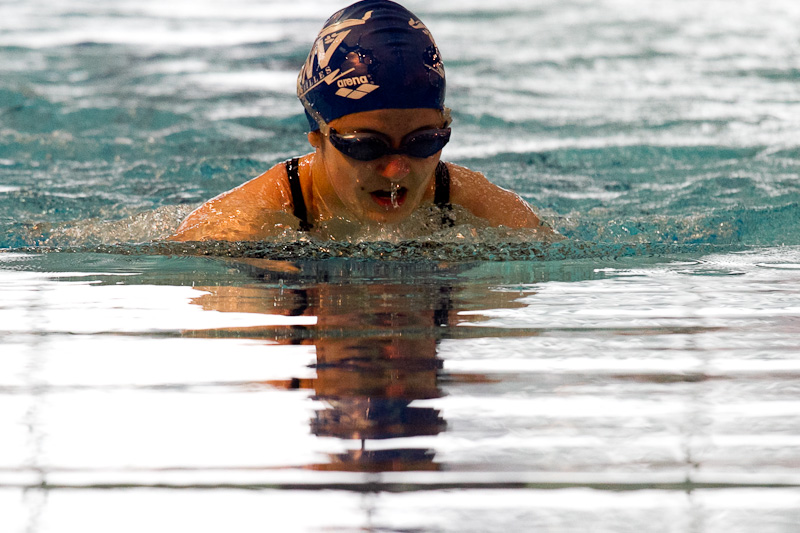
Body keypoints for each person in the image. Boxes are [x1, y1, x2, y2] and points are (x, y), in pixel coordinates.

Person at [170, 0, 556, 242]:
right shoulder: (237, 228)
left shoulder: (486, 211)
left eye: (424, 141)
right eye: (367, 145)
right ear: (317, 135)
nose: (396, 169)